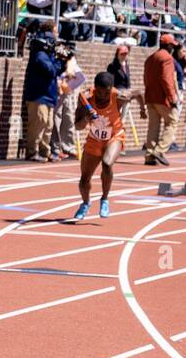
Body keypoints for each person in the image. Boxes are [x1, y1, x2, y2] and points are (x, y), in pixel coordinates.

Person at [71, 71, 146, 220]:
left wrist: (143, 109)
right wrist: (86, 117)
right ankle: (85, 203)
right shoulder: (86, 99)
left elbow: (138, 93)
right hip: (94, 139)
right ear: (95, 88)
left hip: (114, 136)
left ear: (111, 89)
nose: (102, 96)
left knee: (107, 163)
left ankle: (104, 199)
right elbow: (78, 126)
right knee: (84, 179)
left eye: (106, 92)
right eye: (99, 91)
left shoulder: (118, 96)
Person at [22, 23, 63, 161]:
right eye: (55, 32)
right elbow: (51, 70)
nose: (57, 36)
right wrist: (59, 61)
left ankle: (45, 151)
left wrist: (61, 59)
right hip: (38, 95)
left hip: (49, 94)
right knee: (39, 123)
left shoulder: (49, 53)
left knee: (48, 125)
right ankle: (32, 152)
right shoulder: (39, 53)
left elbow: (56, 70)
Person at [142, 33, 178, 166]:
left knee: (153, 127)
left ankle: (149, 155)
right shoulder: (167, 58)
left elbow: (145, 78)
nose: (173, 48)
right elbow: (167, 79)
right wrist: (171, 96)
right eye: (172, 45)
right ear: (167, 45)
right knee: (172, 122)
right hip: (162, 98)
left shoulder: (150, 58)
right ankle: (160, 150)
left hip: (150, 96)